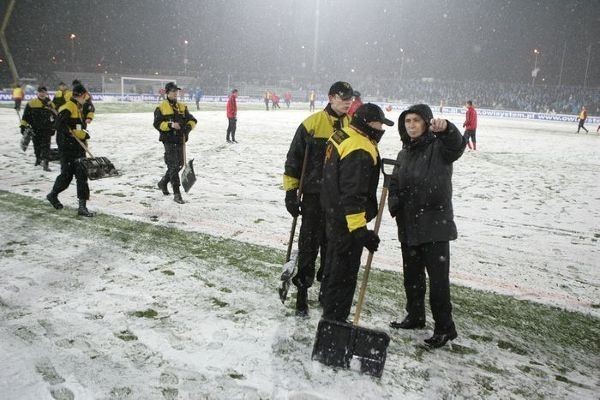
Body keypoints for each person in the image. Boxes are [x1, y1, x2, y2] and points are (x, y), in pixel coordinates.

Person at [388, 104, 466, 348]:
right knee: (412, 277)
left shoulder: (439, 148)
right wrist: (395, 201)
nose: (411, 125)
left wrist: (447, 129)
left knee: (438, 282)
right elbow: (395, 184)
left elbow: (457, 146)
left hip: (434, 225)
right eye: (407, 121)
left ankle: (445, 328)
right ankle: (415, 315)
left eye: (416, 121)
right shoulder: (403, 154)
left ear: (426, 123)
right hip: (409, 225)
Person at [283, 81, 354, 317]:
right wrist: (291, 192)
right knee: (309, 246)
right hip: (314, 197)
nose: (347, 102)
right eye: (343, 98)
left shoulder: (351, 126)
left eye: (350, 99)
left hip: (338, 199)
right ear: (331, 97)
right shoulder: (312, 124)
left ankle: (326, 289)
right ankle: (302, 291)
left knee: (332, 247)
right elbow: (294, 159)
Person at [319, 103, 393, 322]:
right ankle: (334, 321)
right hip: (347, 222)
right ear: (366, 124)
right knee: (344, 275)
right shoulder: (360, 147)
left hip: (333, 214)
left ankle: (328, 305)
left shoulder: (343, 135)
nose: (381, 129)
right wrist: (360, 231)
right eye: (378, 124)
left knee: (333, 267)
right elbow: (353, 195)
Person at [46, 84, 95, 217]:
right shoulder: (68, 107)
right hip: (68, 149)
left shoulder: (78, 107)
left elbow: (77, 127)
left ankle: (82, 207)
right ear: (81, 95)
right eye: (85, 95)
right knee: (66, 177)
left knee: (82, 177)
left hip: (78, 148)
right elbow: (59, 125)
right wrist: (74, 134)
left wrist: (83, 133)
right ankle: (52, 195)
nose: (87, 98)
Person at [153, 82, 197, 204]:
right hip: (168, 140)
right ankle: (177, 193)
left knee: (180, 165)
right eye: (173, 91)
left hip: (180, 140)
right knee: (173, 166)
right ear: (167, 92)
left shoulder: (182, 107)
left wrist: (187, 128)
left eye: (176, 91)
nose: (175, 93)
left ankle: (163, 182)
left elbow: (193, 120)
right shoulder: (161, 107)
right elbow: (157, 124)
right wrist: (171, 125)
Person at [20, 86, 56, 171]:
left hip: (47, 129)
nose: (42, 94)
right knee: (37, 145)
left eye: (44, 92)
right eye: (40, 92)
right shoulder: (31, 103)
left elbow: (55, 116)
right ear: (37, 93)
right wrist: (22, 126)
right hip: (35, 129)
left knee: (46, 146)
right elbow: (25, 116)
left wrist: (54, 128)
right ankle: (38, 159)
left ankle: (46, 163)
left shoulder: (51, 104)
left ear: (46, 93)